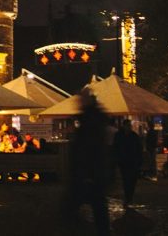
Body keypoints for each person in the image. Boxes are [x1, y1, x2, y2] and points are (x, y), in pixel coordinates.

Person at [64, 92, 111, 236]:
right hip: (92, 173)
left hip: (88, 174)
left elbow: (88, 149)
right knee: (98, 208)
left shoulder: (90, 121)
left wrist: (85, 173)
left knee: (71, 208)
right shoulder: (93, 118)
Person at [112, 119, 143, 210]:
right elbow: (116, 148)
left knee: (132, 180)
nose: (129, 127)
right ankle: (128, 197)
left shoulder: (133, 136)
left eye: (129, 126)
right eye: (128, 125)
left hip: (133, 161)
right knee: (126, 180)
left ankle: (129, 196)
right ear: (124, 126)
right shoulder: (119, 135)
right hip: (124, 162)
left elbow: (139, 149)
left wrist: (139, 160)